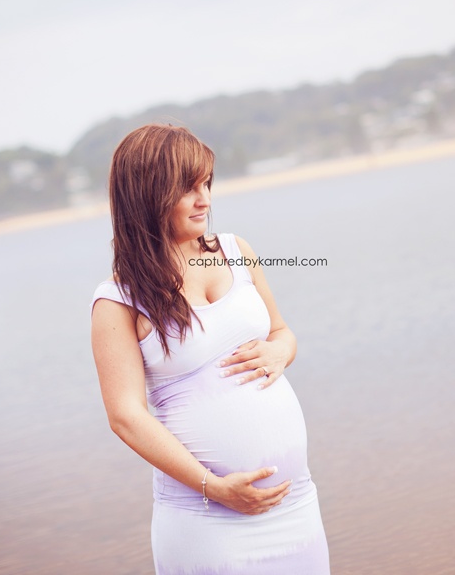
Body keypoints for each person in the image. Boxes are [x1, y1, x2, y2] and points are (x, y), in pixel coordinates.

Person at [90, 124, 330, 574]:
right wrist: (213, 487)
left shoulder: (236, 251)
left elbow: (282, 332)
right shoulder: (117, 300)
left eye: (206, 184)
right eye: (188, 188)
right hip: (207, 518)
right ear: (147, 194)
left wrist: (280, 352)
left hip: (296, 505)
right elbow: (125, 416)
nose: (204, 200)